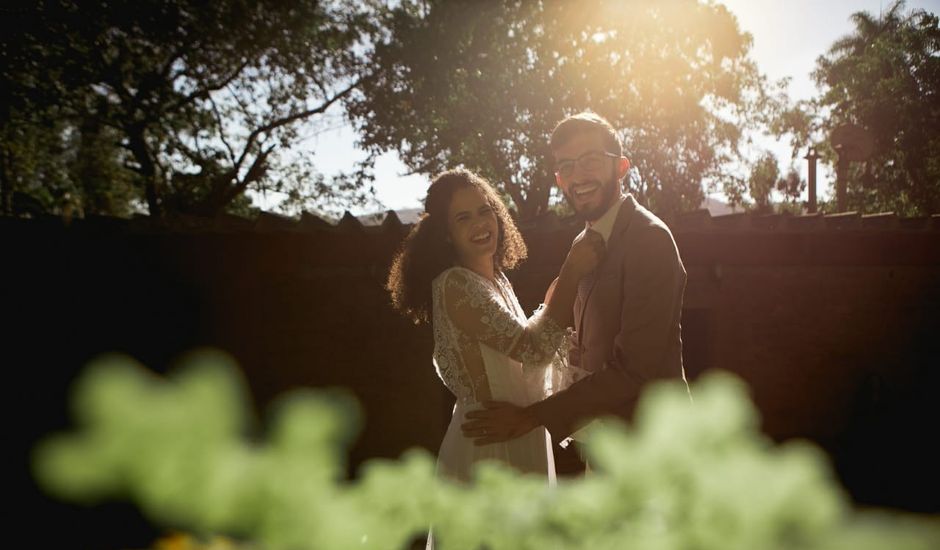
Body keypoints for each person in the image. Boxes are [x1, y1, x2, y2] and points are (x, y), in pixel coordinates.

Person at [461, 111, 689, 458]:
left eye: (591, 161)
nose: (577, 175)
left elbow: (635, 368)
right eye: (566, 166)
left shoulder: (649, 239)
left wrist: (532, 416)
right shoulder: (585, 241)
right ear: (558, 178)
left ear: (621, 166)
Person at [386, 168, 604, 483]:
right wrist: (570, 272)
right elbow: (531, 350)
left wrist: (557, 295)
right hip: (490, 449)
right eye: (463, 218)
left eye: (484, 210)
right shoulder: (455, 284)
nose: (479, 223)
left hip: (519, 434)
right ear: (446, 233)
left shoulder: (495, 280)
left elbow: (517, 350)